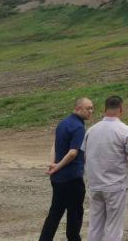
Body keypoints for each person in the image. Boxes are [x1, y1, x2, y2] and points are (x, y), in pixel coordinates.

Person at [81, 95, 128, 241]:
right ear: (121, 108)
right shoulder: (125, 130)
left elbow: (85, 156)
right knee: (114, 228)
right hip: (115, 186)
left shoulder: (91, 130)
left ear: (104, 109)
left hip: (95, 185)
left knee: (95, 225)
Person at [39, 97, 94, 241]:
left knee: (55, 213)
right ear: (77, 108)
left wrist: (53, 164)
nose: (91, 111)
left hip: (58, 178)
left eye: (91, 108)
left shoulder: (62, 123)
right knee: (74, 215)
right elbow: (73, 153)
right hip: (72, 178)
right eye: (87, 108)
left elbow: (55, 145)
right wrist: (57, 166)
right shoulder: (78, 127)